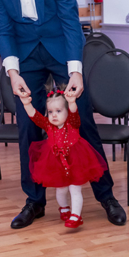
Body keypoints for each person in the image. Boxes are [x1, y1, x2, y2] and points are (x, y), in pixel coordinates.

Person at [0, 0, 126, 229]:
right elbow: (4, 28)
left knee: (82, 120)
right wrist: (12, 72)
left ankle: (105, 195)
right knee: (28, 126)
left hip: (60, 48)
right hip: (25, 54)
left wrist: (75, 71)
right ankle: (34, 201)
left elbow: (69, 20)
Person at [20, 84, 108, 228]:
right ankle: (64, 209)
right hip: (56, 162)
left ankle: (76, 216)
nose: (54, 115)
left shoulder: (72, 123)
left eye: (59, 111)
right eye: (50, 112)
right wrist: (27, 104)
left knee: (75, 189)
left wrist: (72, 102)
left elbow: (74, 113)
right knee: (60, 189)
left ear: (67, 111)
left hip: (75, 160)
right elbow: (35, 116)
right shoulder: (48, 125)